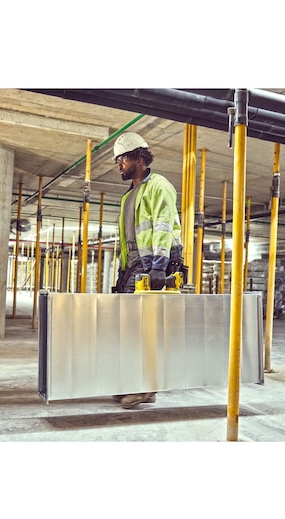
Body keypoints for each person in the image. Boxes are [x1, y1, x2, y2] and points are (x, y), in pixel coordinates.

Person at [111, 131, 183, 409]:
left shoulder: (159, 186)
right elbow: (128, 239)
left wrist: (158, 267)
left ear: (139, 158)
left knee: (144, 329)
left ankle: (145, 386)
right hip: (135, 267)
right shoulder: (128, 197)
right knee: (129, 328)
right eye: (118, 159)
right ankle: (136, 382)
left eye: (123, 158)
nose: (119, 164)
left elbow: (163, 227)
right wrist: (122, 271)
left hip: (153, 265)